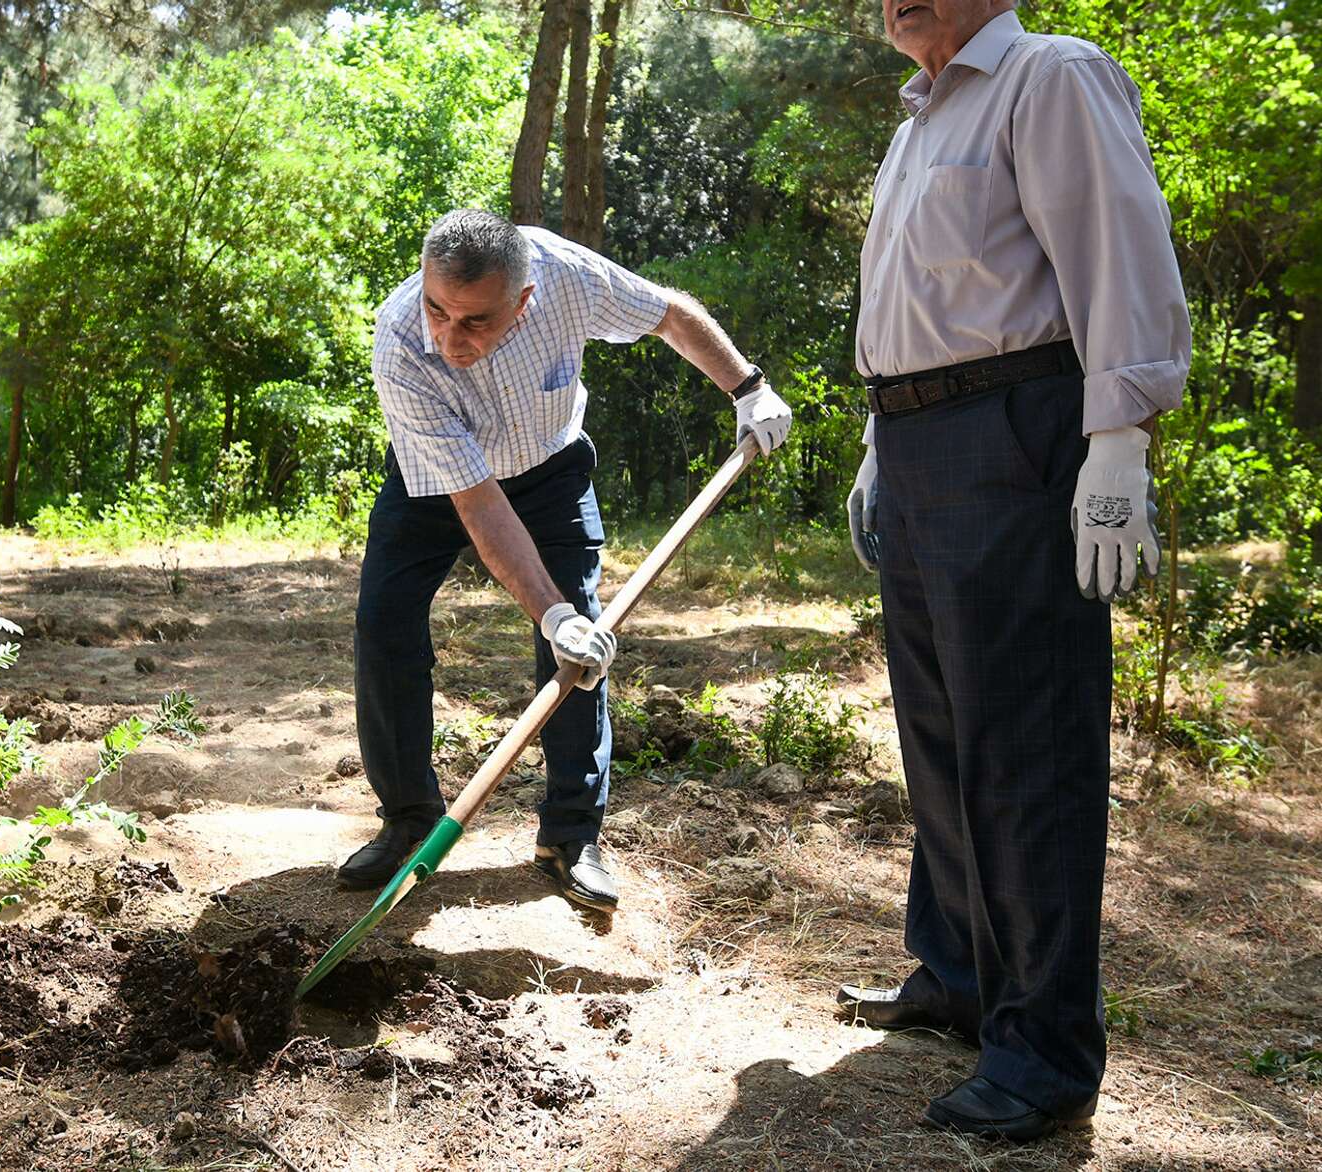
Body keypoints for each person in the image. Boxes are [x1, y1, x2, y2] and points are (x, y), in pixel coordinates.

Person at [837, 0, 1189, 1142]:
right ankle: (956, 977)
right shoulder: (915, 119)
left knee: (1022, 746)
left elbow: (1117, 249)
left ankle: (1040, 1054)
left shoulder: (1050, 75)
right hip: (920, 441)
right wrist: (877, 445)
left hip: (1015, 434)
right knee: (937, 734)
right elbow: (923, 305)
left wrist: (1119, 436)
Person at [340, 209, 792, 909]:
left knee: (582, 640)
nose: (448, 338)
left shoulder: (565, 277)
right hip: (437, 482)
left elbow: (669, 315)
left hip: (550, 470)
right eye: (438, 310)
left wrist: (747, 386)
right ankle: (408, 820)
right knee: (384, 622)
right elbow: (481, 506)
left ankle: (570, 836)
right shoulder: (402, 345)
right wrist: (545, 611)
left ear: (523, 301)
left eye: (475, 322)